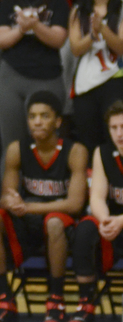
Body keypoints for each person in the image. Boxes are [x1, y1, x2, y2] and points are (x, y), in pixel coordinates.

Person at [0, 91, 87, 322]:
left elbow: (75, 204)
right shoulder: (16, 149)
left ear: (58, 121)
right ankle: (5, 300)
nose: (37, 121)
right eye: (32, 116)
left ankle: (56, 299)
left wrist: (27, 207)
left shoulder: (75, 151)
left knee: (55, 221)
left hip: (61, 225)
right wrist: (12, 202)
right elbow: (6, 198)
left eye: (44, 116)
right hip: (27, 223)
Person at [0, 0, 70, 157]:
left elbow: (58, 39)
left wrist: (35, 25)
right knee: (11, 147)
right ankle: (11, 189)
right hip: (11, 78)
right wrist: (21, 29)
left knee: (46, 142)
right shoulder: (10, 1)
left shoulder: (57, 1)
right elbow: (0, 40)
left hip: (47, 78)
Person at [71, 101, 123, 322]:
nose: (119, 133)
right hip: (114, 223)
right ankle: (86, 301)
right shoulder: (103, 153)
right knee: (85, 229)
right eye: (114, 128)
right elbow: (97, 197)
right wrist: (105, 220)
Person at [69, 0, 123, 154]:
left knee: (115, 142)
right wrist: (92, 35)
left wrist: (102, 29)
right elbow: (75, 49)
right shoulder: (78, 11)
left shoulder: (121, 9)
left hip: (115, 80)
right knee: (89, 144)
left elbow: (121, 46)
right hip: (85, 84)